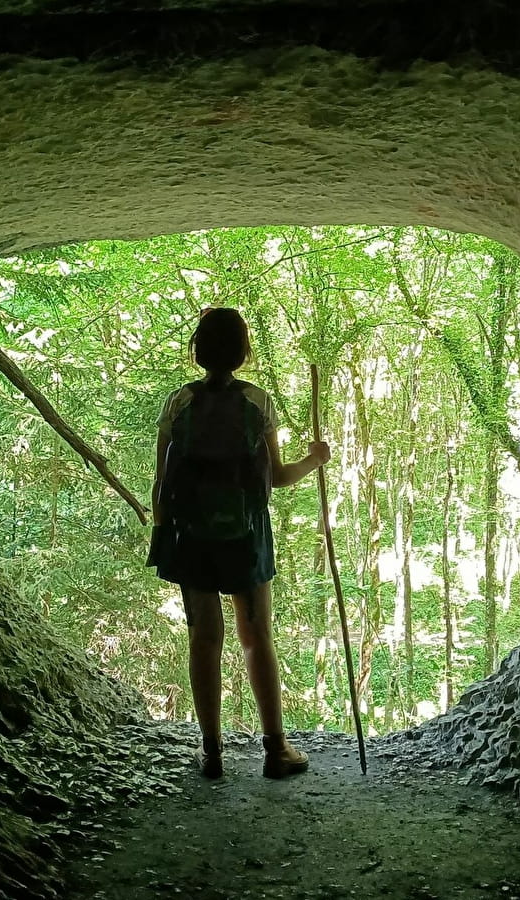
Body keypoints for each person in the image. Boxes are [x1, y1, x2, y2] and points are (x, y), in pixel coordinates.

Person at [149, 307, 330, 779]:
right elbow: (278, 478)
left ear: (196, 351)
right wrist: (316, 459)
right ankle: (276, 750)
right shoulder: (258, 403)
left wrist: (163, 532)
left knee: (203, 640)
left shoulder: (177, 403)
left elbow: (160, 483)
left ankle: (211, 753)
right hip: (247, 535)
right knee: (256, 637)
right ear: (245, 353)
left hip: (190, 537)